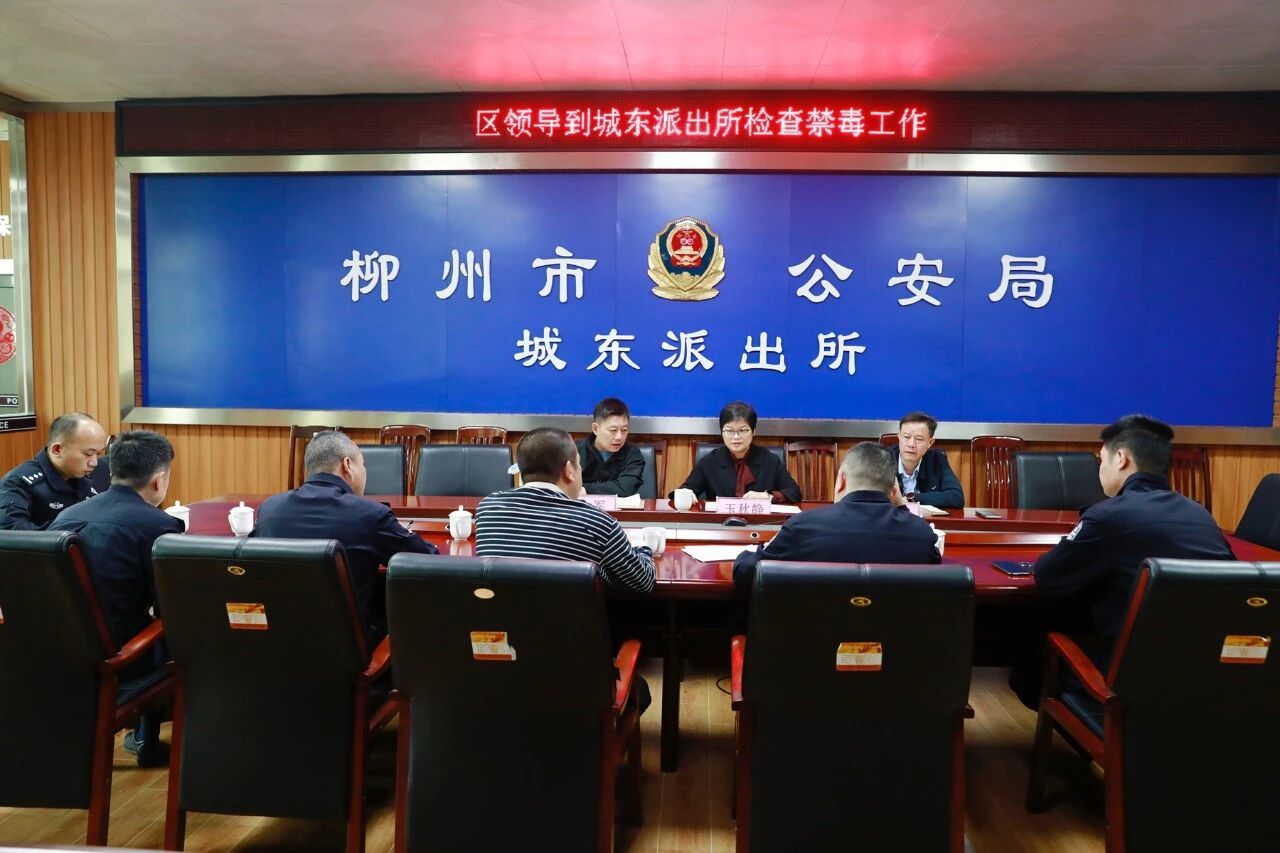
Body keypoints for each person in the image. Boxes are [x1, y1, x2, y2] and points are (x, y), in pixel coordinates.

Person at [1010, 414, 1235, 708]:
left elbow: (1048, 577)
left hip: (1126, 687)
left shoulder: (1108, 516)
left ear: (1121, 458)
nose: (1099, 469)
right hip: (1207, 681)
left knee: (1031, 645)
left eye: (1101, 459)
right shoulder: (1201, 516)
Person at [49, 430, 183, 766]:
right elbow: (171, 606)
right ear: (159, 479)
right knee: (183, 632)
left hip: (59, 655)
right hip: (121, 661)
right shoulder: (158, 525)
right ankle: (154, 740)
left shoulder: (65, 517)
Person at [252, 431, 438, 645]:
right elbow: (424, 561)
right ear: (347, 465)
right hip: (348, 650)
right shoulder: (370, 514)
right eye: (363, 464)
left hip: (278, 644)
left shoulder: (270, 510)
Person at [733, 442, 940, 589]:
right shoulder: (921, 534)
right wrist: (901, 507)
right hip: (893, 639)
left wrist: (745, 554)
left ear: (841, 480)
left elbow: (745, 573)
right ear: (894, 490)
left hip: (814, 638)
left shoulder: (803, 526)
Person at [476, 428, 656, 594]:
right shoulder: (597, 523)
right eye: (579, 465)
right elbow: (643, 582)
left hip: (501, 618)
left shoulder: (488, 509)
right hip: (571, 620)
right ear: (569, 470)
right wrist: (642, 546)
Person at [676, 401, 801, 502]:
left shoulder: (770, 460)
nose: (736, 437)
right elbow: (686, 489)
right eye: (729, 431)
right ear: (722, 432)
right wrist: (686, 494)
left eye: (742, 430)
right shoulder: (709, 461)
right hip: (720, 523)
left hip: (761, 522)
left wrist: (768, 496)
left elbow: (794, 492)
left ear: (753, 431)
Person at [0, 412, 108, 529]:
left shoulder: (94, 471)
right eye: (88, 454)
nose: (94, 462)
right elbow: (11, 531)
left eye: (98, 454)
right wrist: (71, 532)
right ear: (57, 450)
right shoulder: (18, 483)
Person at [888, 411, 963, 508]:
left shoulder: (937, 459)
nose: (911, 444)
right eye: (906, 437)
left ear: (930, 442)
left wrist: (912, 498)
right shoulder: (884, 458)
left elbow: (956, 497)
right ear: (899, 437)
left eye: (919, 439)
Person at [576, 397, 645, 497]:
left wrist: (583, 487)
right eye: (613, 430)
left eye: (624, 430)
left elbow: (625, 489)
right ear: (596, 429)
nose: (619, 437)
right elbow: (562, 484)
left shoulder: (632, 453)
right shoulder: (574, 451)